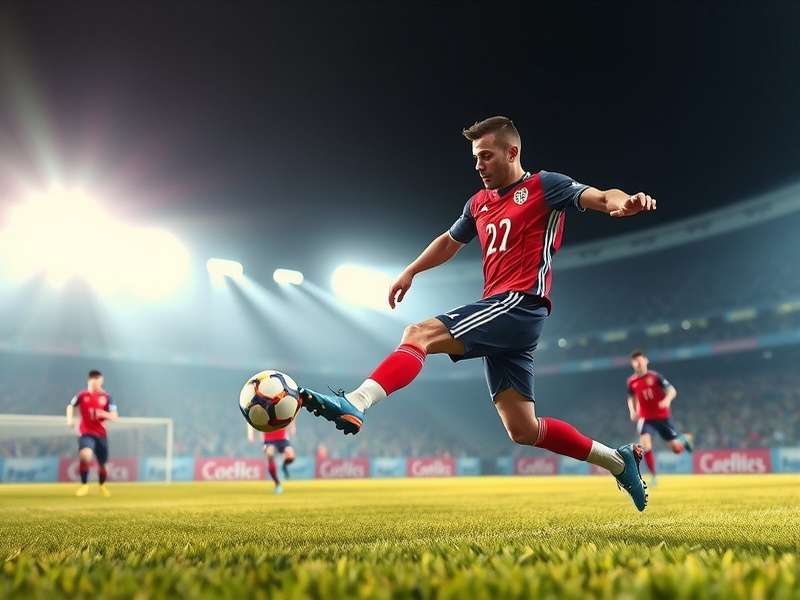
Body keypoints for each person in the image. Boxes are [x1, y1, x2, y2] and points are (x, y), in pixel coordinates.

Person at [300, 116, 657, 511]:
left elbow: (602, 196)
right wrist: (411, 270)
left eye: (486, 156)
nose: (478, 165)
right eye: (475, 157)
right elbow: (450, 241)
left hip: (518, 303)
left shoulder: (544, 186)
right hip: (503, 316)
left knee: (418, 334)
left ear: (512, 152)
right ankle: (617, 460)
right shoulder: (478, 203)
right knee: (523, 429)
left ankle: (357, 402)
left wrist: (624, 203)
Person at [627, 350, 693, 485]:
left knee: (676, 449)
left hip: (662, 417)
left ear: (646, 361)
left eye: (640, 361)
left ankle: (685, 440)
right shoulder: (632, 381)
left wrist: (667, 400)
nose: (638, 364)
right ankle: (654, 477)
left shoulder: (655, 377)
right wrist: (633, 410)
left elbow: (672, 390)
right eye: (635, 362)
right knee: (645, 445)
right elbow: (631, 397)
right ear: (632, 364)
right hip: (646, 418)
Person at [66, 370, 117, 497]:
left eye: (99, 382)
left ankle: (102, 486)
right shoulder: (82, 395)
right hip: (86, 432)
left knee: (103, 465)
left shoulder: (107, 397)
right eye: (95, 383)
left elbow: (115, 416)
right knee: (85, 455)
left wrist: (103, 414)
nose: (97, 385)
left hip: (101, 434)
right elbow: (70, 406)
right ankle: (84, 485)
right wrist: (69, 420)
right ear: (90, 381)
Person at [247, 422, 296, 494]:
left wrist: (292, 425)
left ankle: (284, 466)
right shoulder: (261, 411)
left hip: (282, 438)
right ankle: (277, 484)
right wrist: (250, 433)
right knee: (270, 454)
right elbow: (251, 420)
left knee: (291, 456)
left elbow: (291, 416)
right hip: (269, 439)